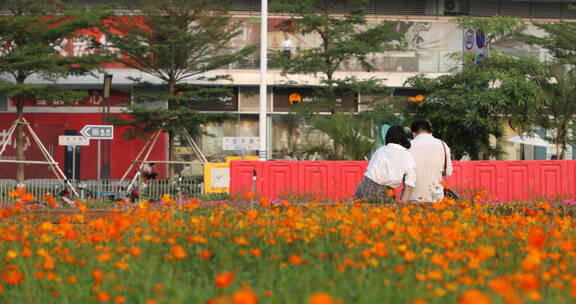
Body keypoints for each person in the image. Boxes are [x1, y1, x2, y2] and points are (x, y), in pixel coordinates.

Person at [354, 125, 416, 203]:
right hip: (385, 192)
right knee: (382, 214)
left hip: (365, 185)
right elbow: (410, 182)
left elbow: (369, 170)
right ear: (403, 139)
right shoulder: (407, 156)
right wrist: (403, 201)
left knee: (360, 213)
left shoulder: (380, 151)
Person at [408, 120, 452, 202]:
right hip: (436, 197)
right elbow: (448, 172)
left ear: (413, 133)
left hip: (413, 198)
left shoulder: (408, 147)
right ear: (430, 131)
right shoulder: (442, 144)